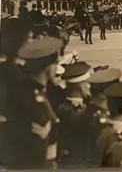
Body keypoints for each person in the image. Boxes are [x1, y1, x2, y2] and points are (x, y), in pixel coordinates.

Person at [6, 37, 63, 169]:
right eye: (56, 64)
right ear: (48, 68)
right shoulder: (35, 99)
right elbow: (38, 149)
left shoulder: (24, 89)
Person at [57, 61, 93, 168]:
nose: (89, 86)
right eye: (87, 82)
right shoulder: (70, 111)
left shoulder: (63, 106)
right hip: (76, 162)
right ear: (80, 86)